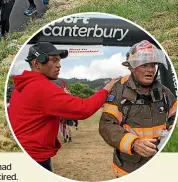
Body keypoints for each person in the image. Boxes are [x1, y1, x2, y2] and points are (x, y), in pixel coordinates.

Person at [8, 42, 120, 172]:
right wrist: (107, 88)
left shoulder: (23, 86)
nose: (59, 65)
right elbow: (84, 109)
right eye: (54, 60)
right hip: (35, 158)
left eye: (59, 61)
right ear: (36, 63)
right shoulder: (43, 88)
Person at [99, 40, 177, 178]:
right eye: (145, 65)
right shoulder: (118, 90)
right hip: (129, 169)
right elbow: (107, 125)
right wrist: (134, 143)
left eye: (153, 65)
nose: (150, 69)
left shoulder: (164, 92)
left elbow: (174, 116)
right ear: (132, 67)